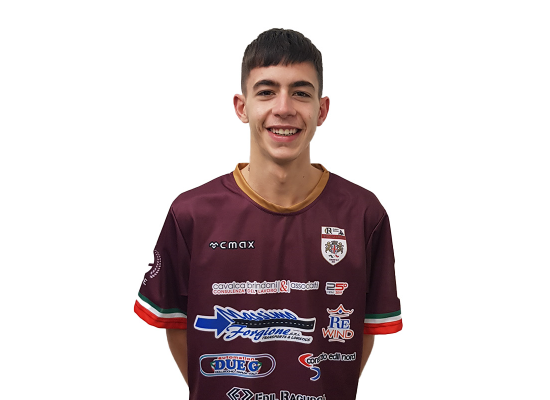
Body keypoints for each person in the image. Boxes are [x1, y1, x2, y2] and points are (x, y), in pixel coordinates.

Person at [134, 28, 402, 400]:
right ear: (241, 107)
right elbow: (176, 325)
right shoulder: (191, 214)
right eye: (266, 91)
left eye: (301, 93)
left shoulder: (363, 214)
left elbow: (364, 331)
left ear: (322, 110)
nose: (284, 107)